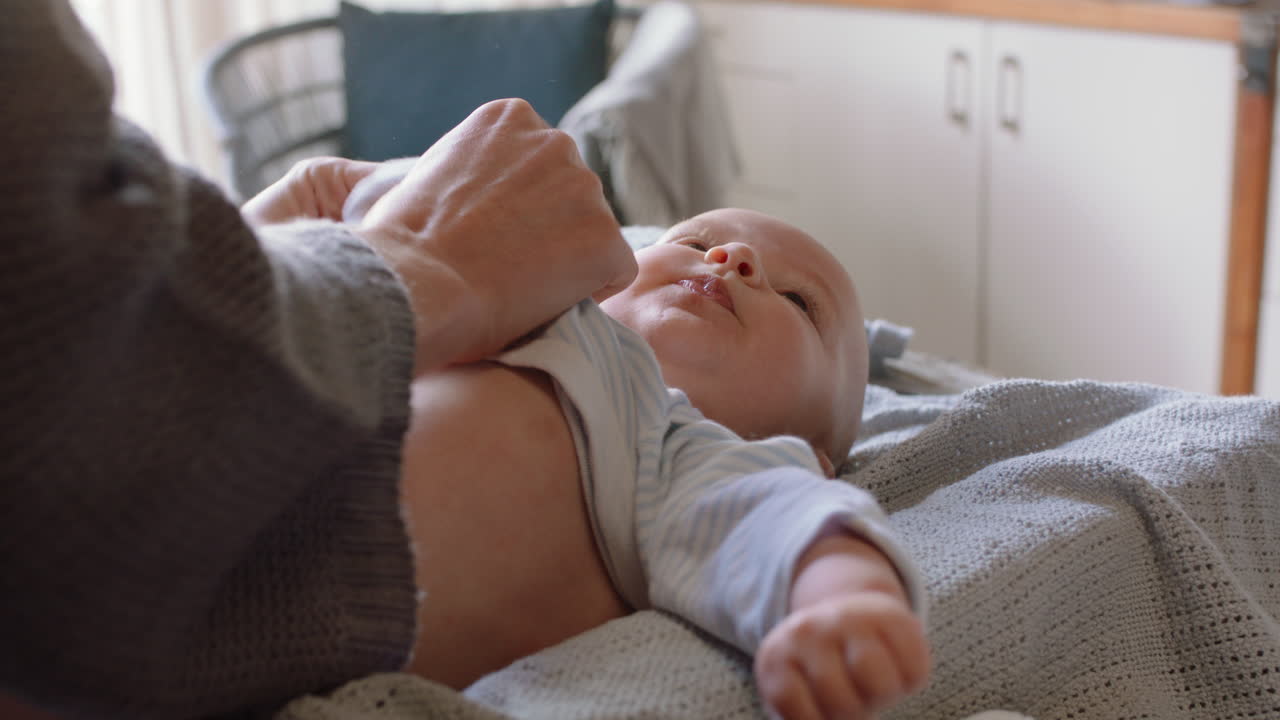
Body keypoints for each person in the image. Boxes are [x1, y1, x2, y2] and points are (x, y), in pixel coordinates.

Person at [2, 1, 634, 718]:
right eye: (696, 239)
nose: (723, 261)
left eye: (786, 298)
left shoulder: (675, 449)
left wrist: (242, 272)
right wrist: (415, 261)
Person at [386, 206, 931, 720]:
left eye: (798, 301)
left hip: (363, 599)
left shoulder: (692, 452)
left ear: (804, 458)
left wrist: (845, 606)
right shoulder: (533, 306)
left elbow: (795, 526)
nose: (734, 257)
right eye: (694, 243)